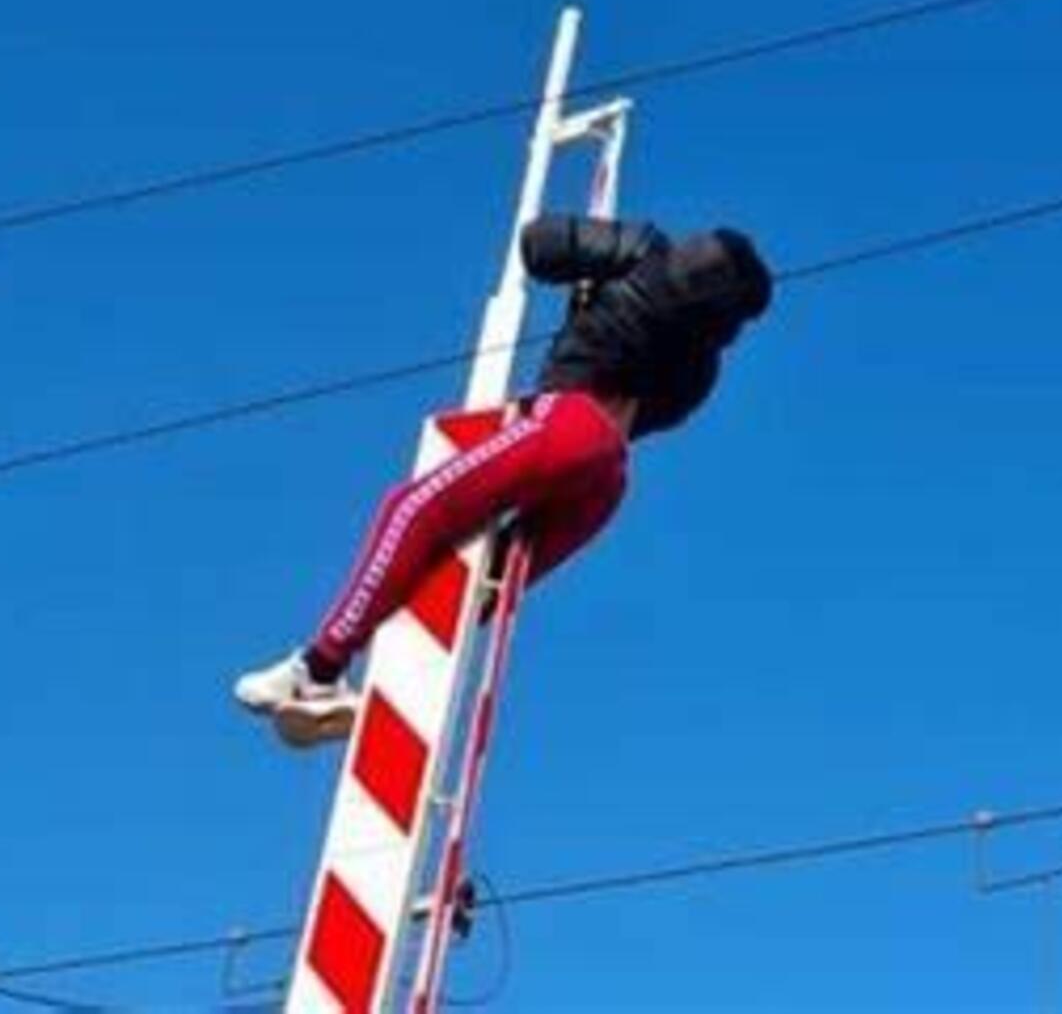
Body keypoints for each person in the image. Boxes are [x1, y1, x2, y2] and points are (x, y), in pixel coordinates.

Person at [233, 214, 773, 748]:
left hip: (569, 423)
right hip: (606, 478)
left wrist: (590, 274)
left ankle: (318, 669)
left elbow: (539, 246)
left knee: (412, 508)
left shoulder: (643, 250)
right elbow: (660, 417)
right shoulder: (703, 367)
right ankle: (398, 683)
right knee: (482, 582)